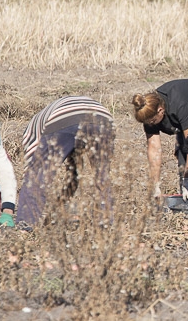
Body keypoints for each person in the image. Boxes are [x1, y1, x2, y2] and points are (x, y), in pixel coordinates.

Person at [16, 96, 115, 227]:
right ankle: (105, 226)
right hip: (104, 118)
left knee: (37, 175)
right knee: (102, 177)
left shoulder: (30, 132)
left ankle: (25, 226)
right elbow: (73, 176)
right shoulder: (46, 118)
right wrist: (58, 208)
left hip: (65, 118)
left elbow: (32, 171)